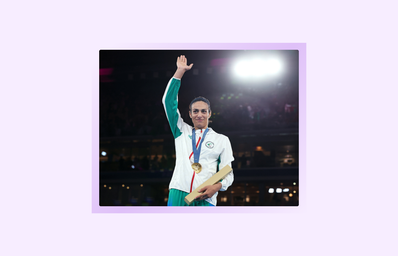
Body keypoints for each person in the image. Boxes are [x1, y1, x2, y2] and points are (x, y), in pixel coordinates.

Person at [162, 55, 234, 206]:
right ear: (189, 114)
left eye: (203, 111)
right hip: (178, 192)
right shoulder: (181, 130)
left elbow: (227, 170)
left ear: (209, 113)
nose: (199, 115)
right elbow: (168, 102)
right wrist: (179, 72)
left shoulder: (222, 140)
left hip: (205, 196)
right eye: (195, 111)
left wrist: (216, 187)